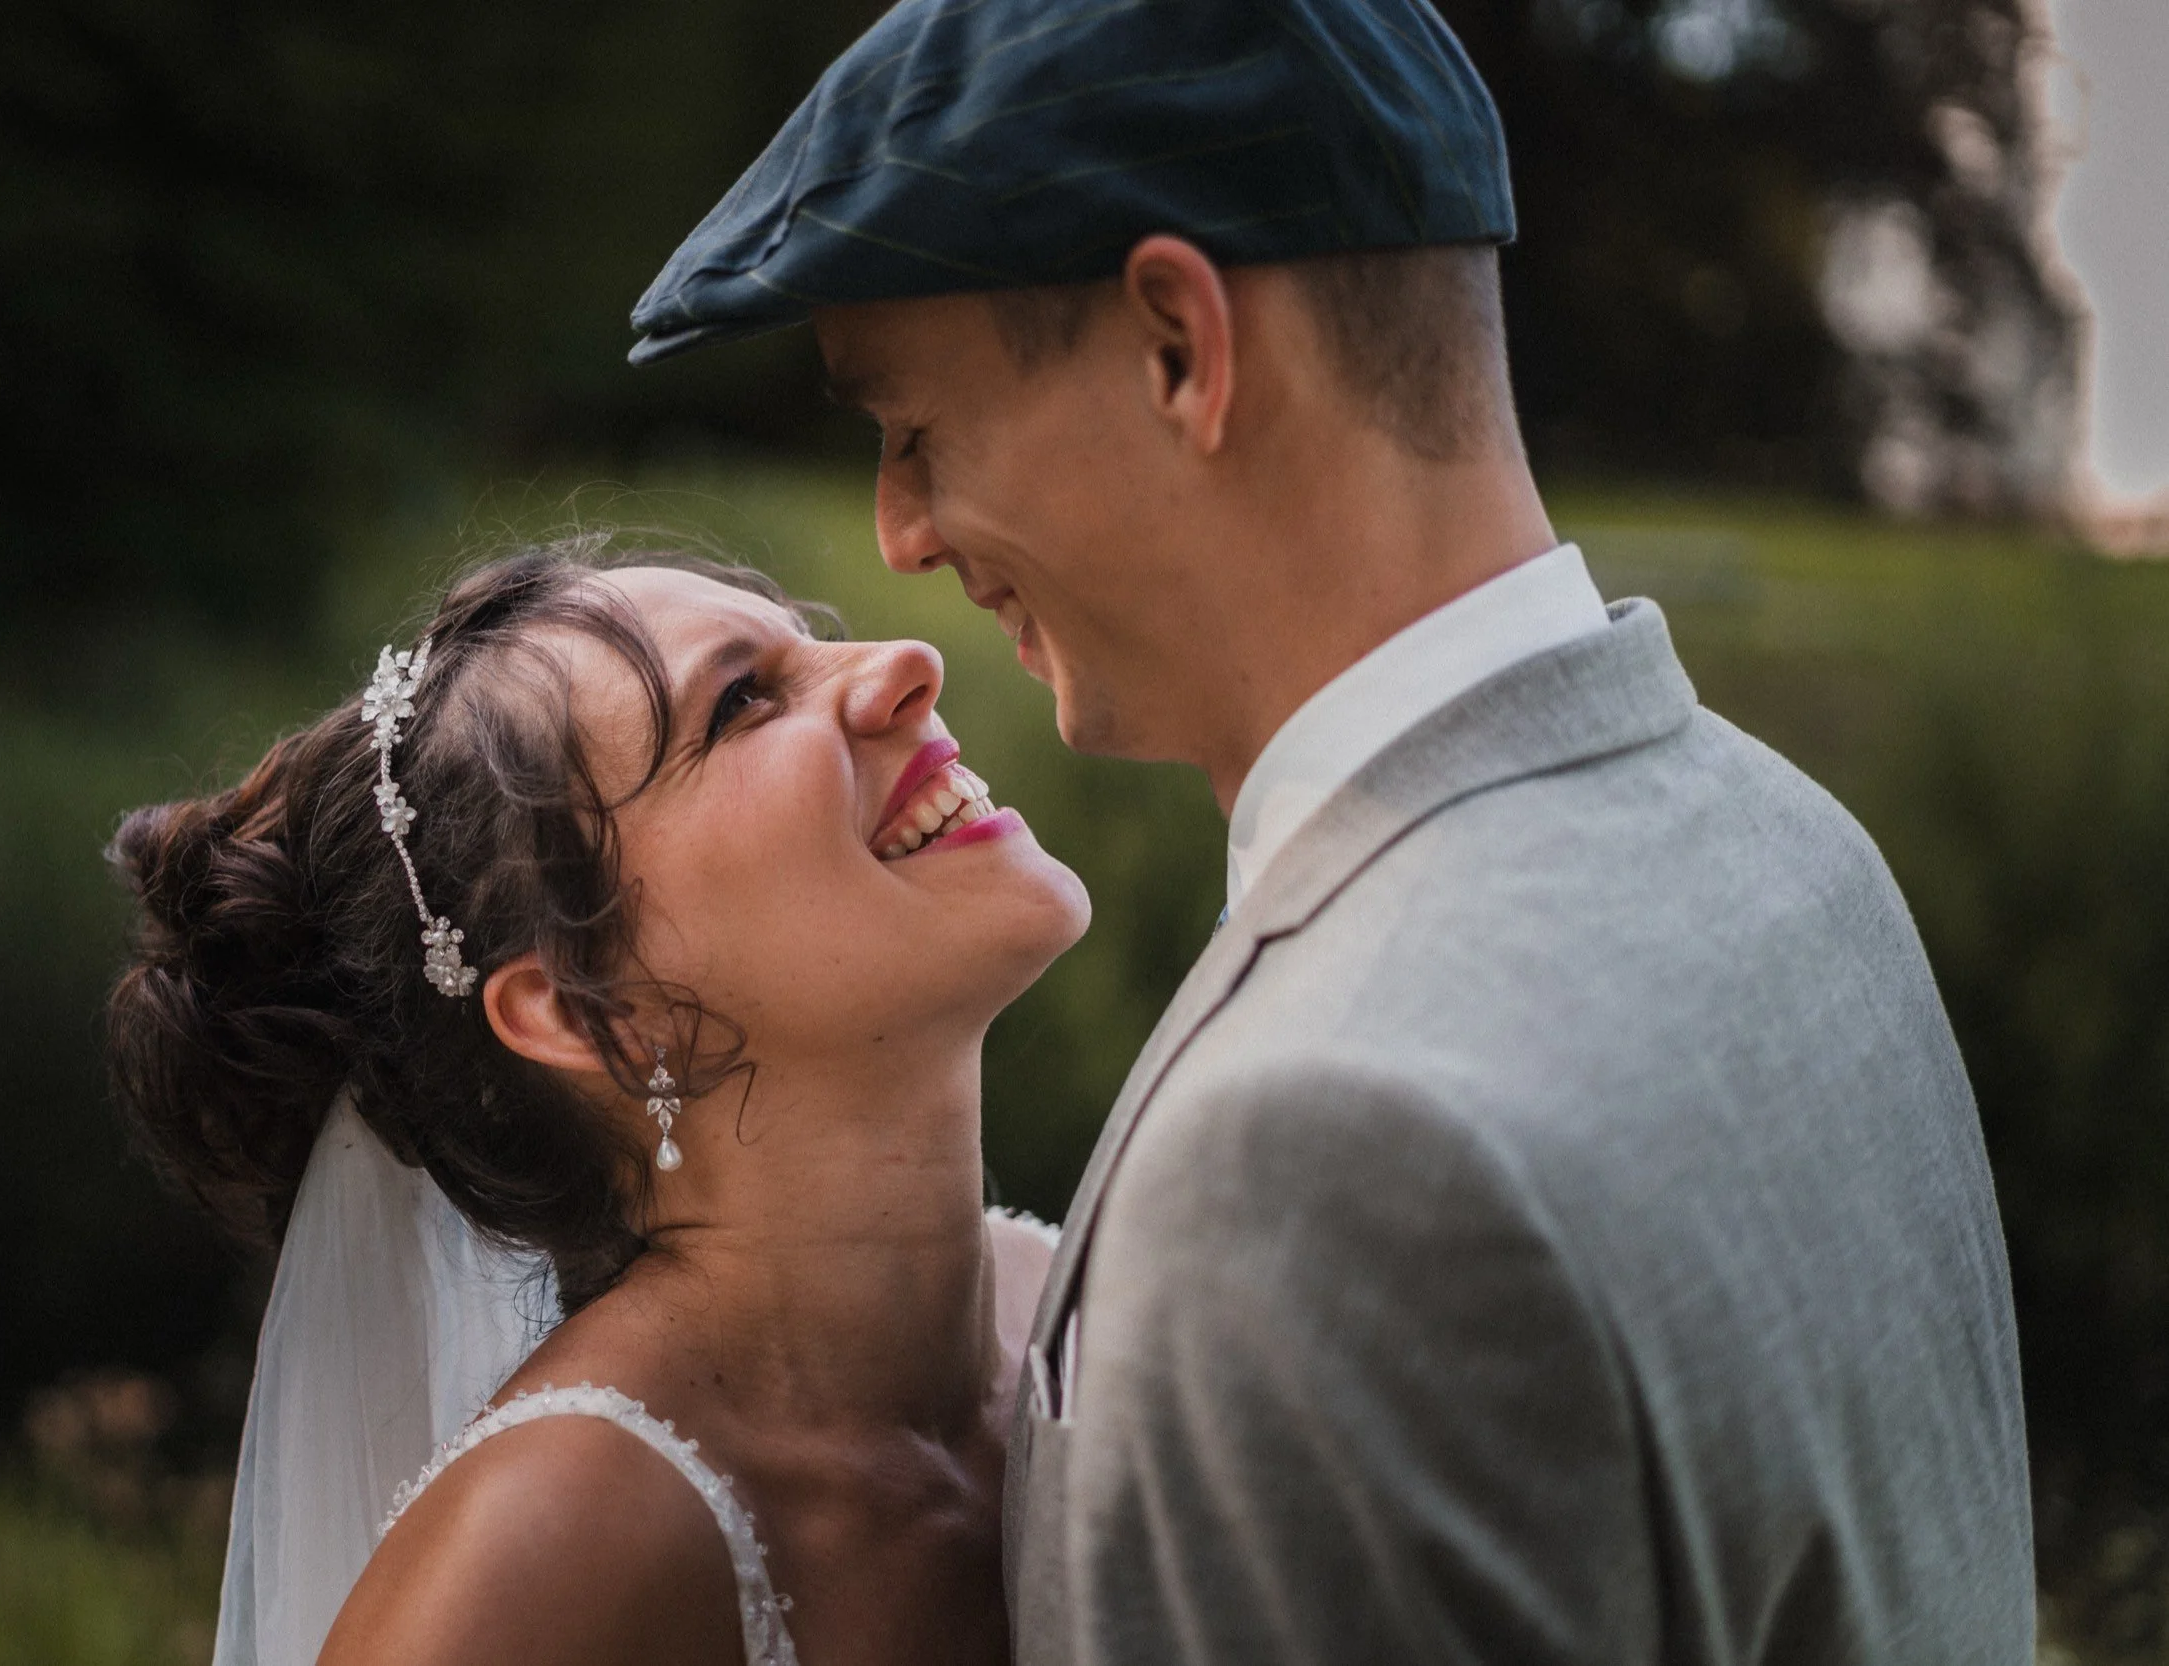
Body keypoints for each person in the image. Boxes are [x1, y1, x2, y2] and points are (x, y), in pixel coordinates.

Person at [628, 0, 2038, 1661]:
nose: (903, 534)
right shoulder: (1790, 843)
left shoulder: (1318, 1148)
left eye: (913, 434)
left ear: (1180, 347)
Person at [106, 544, 1091, 1665]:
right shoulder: (544, 1557)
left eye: (811, 641)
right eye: (741, 702)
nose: (907, 661)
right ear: (590, 1010)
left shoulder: (1093, 1305)